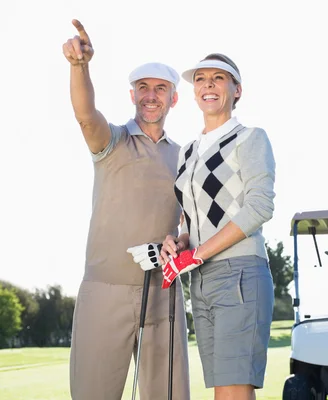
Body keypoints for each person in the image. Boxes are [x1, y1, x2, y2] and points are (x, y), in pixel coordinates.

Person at [62, 19, 190, 400]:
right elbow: (86, 115)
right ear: (132, 96)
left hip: (164, 292)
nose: (151, 96)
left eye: (160, 89)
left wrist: (182, 243)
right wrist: (79, 66)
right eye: (143, 89)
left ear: (173, 99)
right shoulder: (112, 140)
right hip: (105, 292)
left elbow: (193, 227)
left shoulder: (185, 158)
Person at [158, 53, 276, 400]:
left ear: (236, 90)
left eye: (219, 78)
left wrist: (198, 254)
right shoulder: (188, 151)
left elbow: (259, 207)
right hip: (201, 280)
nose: (208, 84)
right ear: (194, 92)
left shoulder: (250, 138)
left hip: (240, 274)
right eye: (200, 79)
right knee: (223, 390)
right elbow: (192, 216)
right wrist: (181, 242)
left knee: (232, 390)